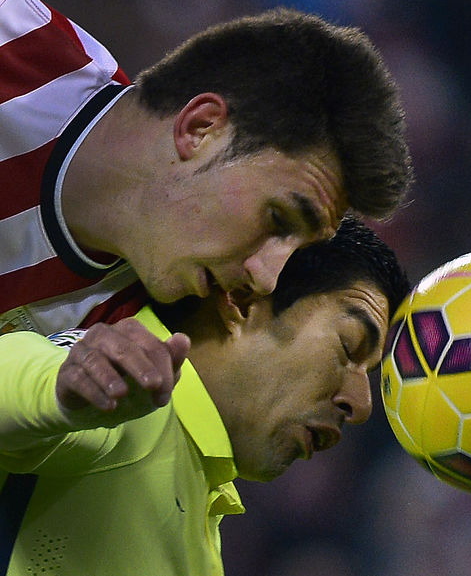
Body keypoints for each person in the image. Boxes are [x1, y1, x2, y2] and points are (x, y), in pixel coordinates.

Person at [0, 216, 410, 575]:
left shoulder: (197, 496)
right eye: (349, 345)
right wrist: (63, 389)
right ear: (244, 298)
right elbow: (24, 375)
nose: (362, 404)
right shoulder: (126, 408)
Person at [0, 0, 413, 337]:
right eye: (278, 219)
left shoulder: (135, 344)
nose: (266, 279)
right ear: (200, 128)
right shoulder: (10, 41)